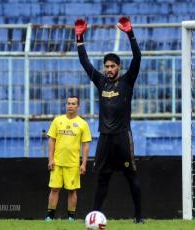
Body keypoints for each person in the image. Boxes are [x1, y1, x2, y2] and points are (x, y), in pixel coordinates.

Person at [75, 16, 144, 223]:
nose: (109, 69)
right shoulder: (101, 82)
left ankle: (139, 217)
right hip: (104, 138)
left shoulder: (127, 81)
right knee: (102, 179)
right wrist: (80, 39)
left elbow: (138, 57)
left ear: (119, 67)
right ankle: (94, 216)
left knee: (131, 176)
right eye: (106, 66)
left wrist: (130, 33)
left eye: (112, 66)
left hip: (122, 137)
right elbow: (85, 63)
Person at [45, 96, 92, 221]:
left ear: (78, 107)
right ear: (66, 105)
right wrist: (50, 159)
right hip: (57, 162)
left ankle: (71, 218)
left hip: (73, 164)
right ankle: (50, 217)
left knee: (72, 190)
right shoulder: (57, 121)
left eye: (73, 104)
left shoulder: (82, 124)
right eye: (68, 103)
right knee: (54, 189)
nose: (70, 106)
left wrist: (84, 164)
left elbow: (86, 145)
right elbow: (51, 140)